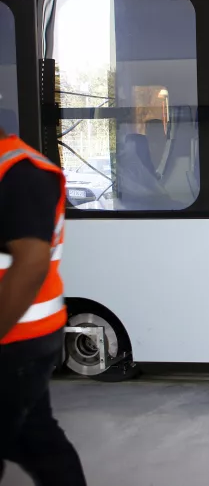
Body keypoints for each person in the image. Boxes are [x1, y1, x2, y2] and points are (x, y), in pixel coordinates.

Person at [0, 124, 87, 485]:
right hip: (24, 339)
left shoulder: (19, 171)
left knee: (37, 440)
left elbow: (32, 262)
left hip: (15, 339)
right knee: (37, 440)